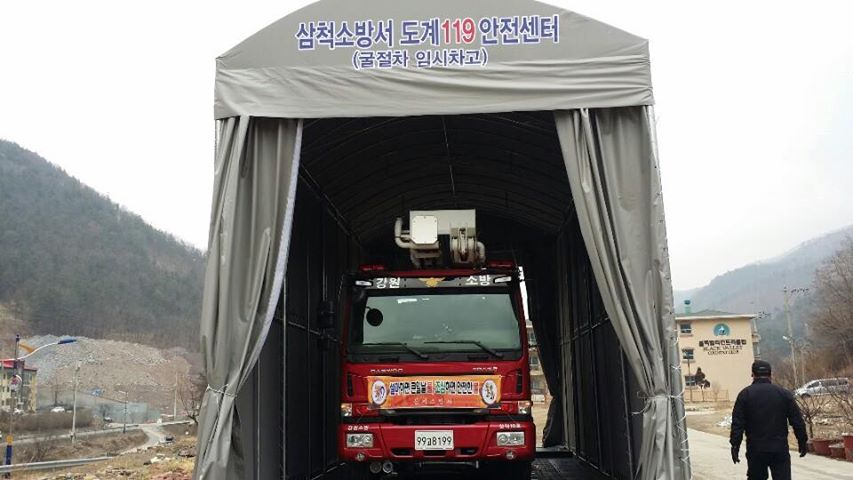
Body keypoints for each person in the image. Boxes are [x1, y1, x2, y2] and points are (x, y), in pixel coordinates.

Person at [730, 360, 808, 480]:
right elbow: (797, 421)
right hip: (779, 448)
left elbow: (738, 424)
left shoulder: (745, 395)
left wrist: (735, 445)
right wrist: (802, 441)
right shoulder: (783, 394)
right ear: (770, 374)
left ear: (752, 374)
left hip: (756, 449)